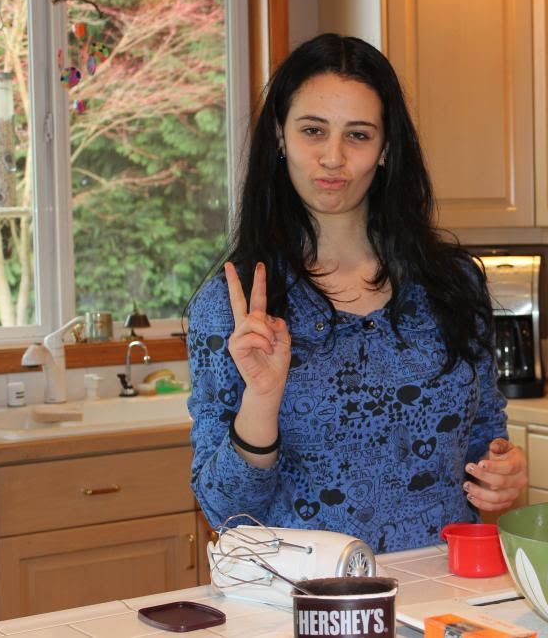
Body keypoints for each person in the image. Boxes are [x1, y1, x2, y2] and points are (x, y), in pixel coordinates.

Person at [187, 33, 526, 554]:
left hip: (440, 588)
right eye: (313, 131)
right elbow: (225, 510)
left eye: (358, 135)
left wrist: (503, 470)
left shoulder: (453, 284)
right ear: (280, 137)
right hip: (305, 593)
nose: (333, 157)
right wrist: (261, 399)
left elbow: (484, 441)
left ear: (386, 148)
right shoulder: (235, 306)